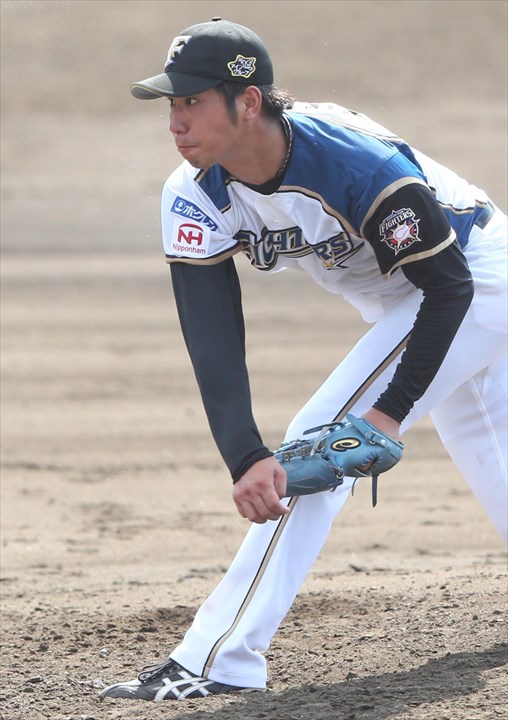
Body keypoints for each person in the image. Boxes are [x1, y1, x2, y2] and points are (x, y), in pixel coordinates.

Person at [100, 18, 507, 702]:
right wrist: (243, 454)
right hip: (412, 298)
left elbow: (447, 287)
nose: (176, 121)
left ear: (248, 102)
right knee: (491, 448)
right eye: (171, 103)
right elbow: (211, 332)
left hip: (472, 278)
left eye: (192, 100)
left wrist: (386, 414)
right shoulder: (194, 194)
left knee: (322, 443)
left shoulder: (353, 165)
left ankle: (221, 657)